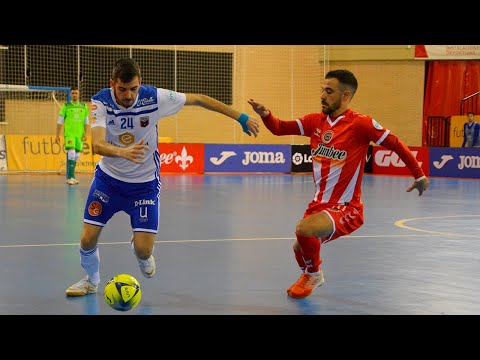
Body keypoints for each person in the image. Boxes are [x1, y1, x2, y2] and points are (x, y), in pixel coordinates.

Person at [65, 57, 260, 296]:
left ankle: (140, 248)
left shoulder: (154, 97)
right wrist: (123, 153)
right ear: (112, 84)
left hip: (144, 186)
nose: (128, 95)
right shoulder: (100, 101)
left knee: (144, 251)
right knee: (87, 240)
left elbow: (199, 98)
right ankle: (92, 281)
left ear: (141, 84)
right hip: (108, 181)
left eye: (133, 89)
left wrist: (239, 117)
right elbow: (97, 144)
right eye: (122, 89)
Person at [248, 69, 430, 300]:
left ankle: (314, 274)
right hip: (318, 204)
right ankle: (310, 274)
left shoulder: (361, 124)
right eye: (322, 90)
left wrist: (419, 174)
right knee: (299, 247)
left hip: (347, 208)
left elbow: (395, 144)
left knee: (304, 229)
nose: (323, 95)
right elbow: (280, 128)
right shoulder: (315, 121)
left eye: (329, 91)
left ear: (345, 96)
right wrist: (266, 115)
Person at [55, 86, 89, 185]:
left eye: (76, 93)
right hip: (69, 134)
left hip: (79, 135)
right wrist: (57, 135)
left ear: (79, 94)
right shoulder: (66, 106)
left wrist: (85, 134)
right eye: (73, 93)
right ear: (70, 94)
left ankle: (72, 177)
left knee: (77, 156)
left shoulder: (84, 106)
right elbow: (59, 121)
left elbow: (86, 122)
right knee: (71, 153)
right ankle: (70, 177)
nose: (74, 95)